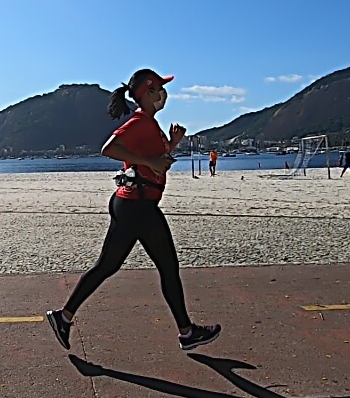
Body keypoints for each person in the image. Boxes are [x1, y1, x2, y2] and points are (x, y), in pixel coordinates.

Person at [45, 68, 222, 353]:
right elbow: (110, 148)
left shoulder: (150, 124)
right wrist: (148, 162)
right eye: (159, 89)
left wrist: (171, 146)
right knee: (167, 267)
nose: (164, 94)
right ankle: (187, 333)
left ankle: (63, 317)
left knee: (108, 265)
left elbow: (153, 161)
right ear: (148, 93)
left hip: (131, 203)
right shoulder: (140, 121)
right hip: (138, 206)